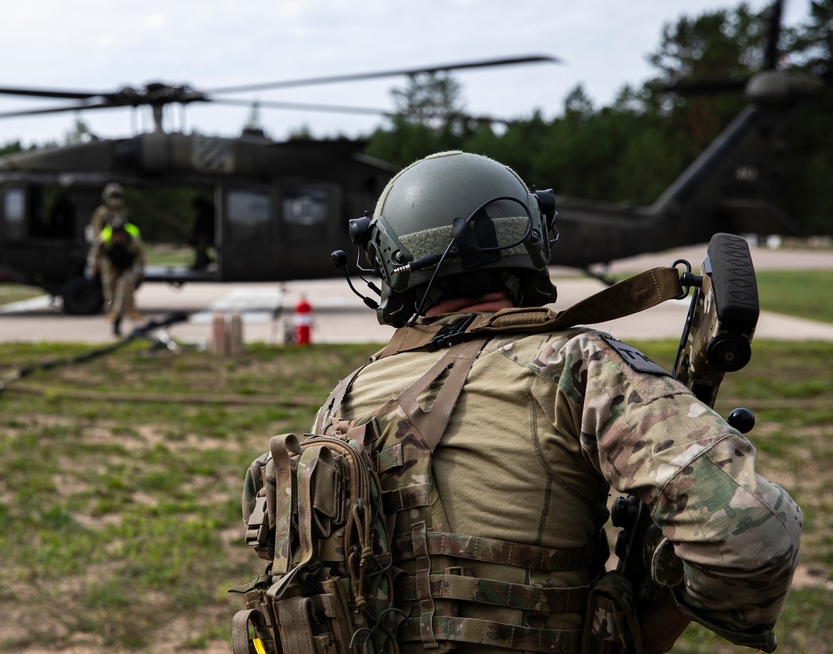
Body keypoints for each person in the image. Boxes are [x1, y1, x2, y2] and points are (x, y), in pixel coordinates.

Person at [317, 151, 801, 653]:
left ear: (387, 261)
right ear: (532, 244)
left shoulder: (345, 397)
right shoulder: (575, 363)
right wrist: (645, 629)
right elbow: (754, 535)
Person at [87, 215, 145, 336]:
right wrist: (93, 265)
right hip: (111, 265)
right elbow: (95, 253)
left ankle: (118, 319)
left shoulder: (133, 241)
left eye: (120, 234)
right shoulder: (105, 237)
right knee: (110, 293)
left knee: (124, 291)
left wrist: (141, 272)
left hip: (127, 266)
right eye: (115, 234)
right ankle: (113, 313)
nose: (117, 237)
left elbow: (141, 256)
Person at [186, 194, 216, 270]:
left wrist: (197, 235)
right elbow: (197, 228)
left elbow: (209, 228)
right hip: (203, 236)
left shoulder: (210, 214)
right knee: (194, 241)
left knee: (202, 242)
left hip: (211, 236)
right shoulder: (201, 215)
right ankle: (204, 259)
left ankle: (201, 262)